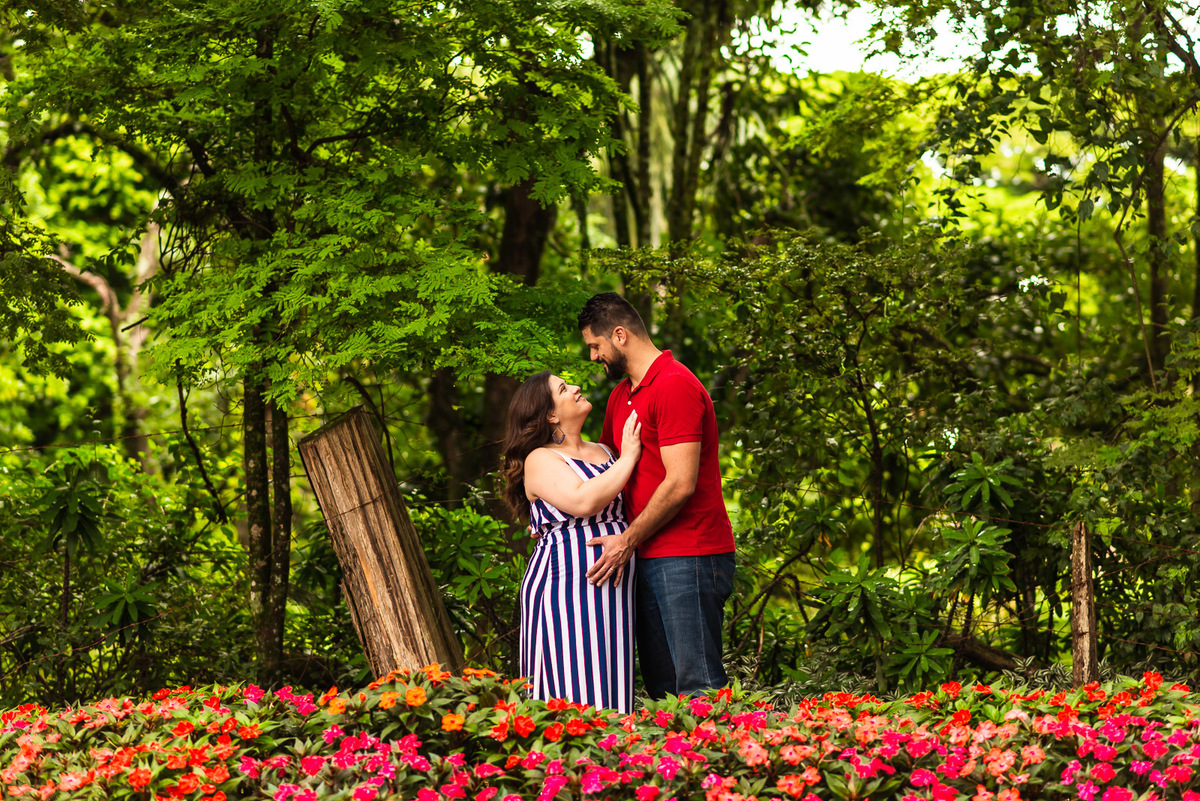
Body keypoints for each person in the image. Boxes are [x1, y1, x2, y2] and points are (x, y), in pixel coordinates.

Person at [578, 292, 735, 699]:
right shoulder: (620, 396)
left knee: (699, 690)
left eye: (595, 346)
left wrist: (626, 540)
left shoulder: (675, 385)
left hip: (690, 555)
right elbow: (604, 472)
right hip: (643, 557)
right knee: (664, 694)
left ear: (619, 335)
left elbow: (680, 483)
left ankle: (722, 763)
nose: (594, 357)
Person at [502, 369, 643, 713]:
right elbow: (583, 501)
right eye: (564, 389)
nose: (577, 388)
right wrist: (628, 457)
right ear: (551, 414)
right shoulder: (541, 459)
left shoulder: (604, 450)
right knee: (572, 687)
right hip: (564, 586)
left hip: (614, 587)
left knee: (610, 679)